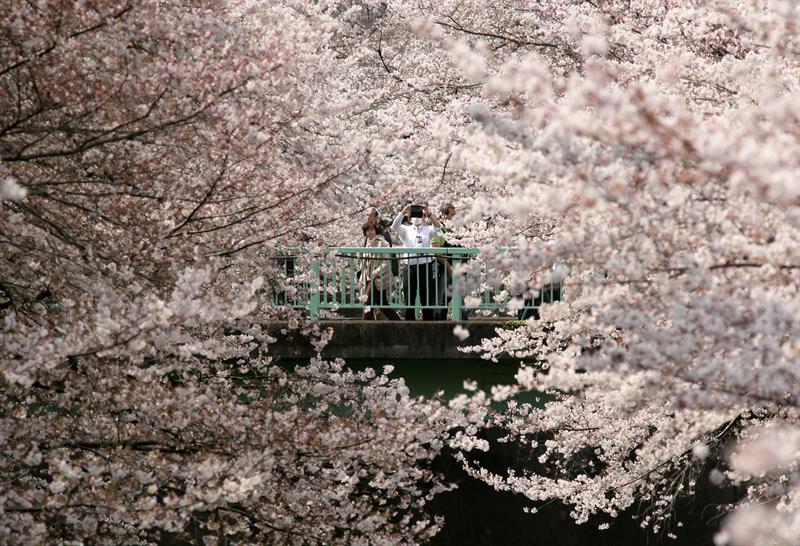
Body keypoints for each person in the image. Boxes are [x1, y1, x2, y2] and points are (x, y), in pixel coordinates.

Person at [391, 203, 441, 320]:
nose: (417, 217)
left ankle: (428, 320)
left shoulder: (428, 229)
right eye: (414, 215)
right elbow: (394, 226)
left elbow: (438, 227)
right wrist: (403, 212)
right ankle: (409, 320)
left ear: (424, 217)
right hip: (410, 266)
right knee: (409, 295)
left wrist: (428, 213)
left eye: (420, 215)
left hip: (425, 265)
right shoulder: (406, 230)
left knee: (426, 295)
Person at [360, 222, 400, 321]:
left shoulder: (382, 242)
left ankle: (363, 326)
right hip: (368, 278)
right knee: (383, 304)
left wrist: (377, 271)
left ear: (376, 231)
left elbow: (387, 262)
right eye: (367, 230)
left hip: (378, 277)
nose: (370, 232)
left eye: (371, 230)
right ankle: (399, 323)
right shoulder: (366, 244)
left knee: (368, 302)